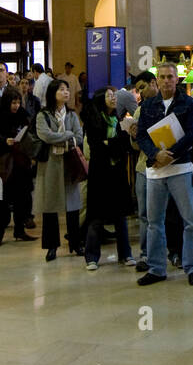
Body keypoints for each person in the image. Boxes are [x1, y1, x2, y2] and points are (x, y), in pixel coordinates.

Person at [137, 63, 193, 286]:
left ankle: (192, 266)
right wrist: (155, 154)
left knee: (190, 220)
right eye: (162, 77)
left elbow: (192, 135)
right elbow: (142, 136)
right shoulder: (147, 105)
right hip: (155, 170)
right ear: (157, 81)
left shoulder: (189, 104)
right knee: (154, 221)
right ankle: (156, 268)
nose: (166, 81)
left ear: (177, 80)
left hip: (181, 167)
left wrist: (171, 154)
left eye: (170, 77)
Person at [82, 88, 135, 269]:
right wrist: (113, 144)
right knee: (96, 216)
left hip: (117, 172)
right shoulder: (93, 120)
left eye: (114, 95)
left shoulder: (119, 119)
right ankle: (91, 256)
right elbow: (97, 146)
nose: (114, 98)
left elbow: (125, 145)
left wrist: (110, 143)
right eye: (109, 96)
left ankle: (125, 254)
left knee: (120, 215)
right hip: (99, 172)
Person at [34, 78, 84, 260]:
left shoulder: (71, 115)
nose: (66, 92)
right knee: (50, 205)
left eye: (67, 90)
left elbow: (79, 136)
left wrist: (64, 136)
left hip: (70, 162)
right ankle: (51, 246)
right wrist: (67, 135)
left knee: (73, 205)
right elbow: (45, 136)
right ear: (52, 93)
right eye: (62, 89)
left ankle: (75, 243)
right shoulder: (43, 115)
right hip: (50, 164)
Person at [0, 90, 36, 246]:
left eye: (18, 102)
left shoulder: (23, 114)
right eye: (13, 103)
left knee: (22, 198)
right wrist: (3, 141)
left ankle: (19, 230)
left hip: (20, 164)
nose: (16, 106)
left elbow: (30, 134)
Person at [129, 73, 157, 272]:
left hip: (168, 166)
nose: (140, 92)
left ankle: (173, 251)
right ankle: (146, 253)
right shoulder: (139, 111)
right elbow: (136, 146)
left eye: (142, 87)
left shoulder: (169, 106)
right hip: (144, 168)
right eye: (138, 89)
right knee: (145, 214)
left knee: (168, 213)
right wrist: (133, 136)